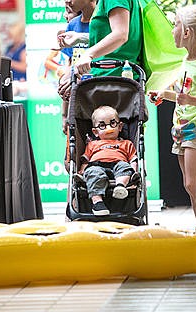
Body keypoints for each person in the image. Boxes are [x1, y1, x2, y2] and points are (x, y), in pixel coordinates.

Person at [148, 5, 196, 228]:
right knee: (189, 186)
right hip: (181, 128)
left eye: (175, 25)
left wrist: (190, 101)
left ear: (187, 32)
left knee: (193, 184)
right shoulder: (186, 61)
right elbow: (183, 94)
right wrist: (163, 94)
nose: (172, 31)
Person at [57, 0, 142, 78]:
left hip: (114, 78)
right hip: (108, 77)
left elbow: (121, 35)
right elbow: (112, 34)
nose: (67, 1)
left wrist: (89, 54)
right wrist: (80, 37)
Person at [78, 106, 137, 216]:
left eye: (112, 123)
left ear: (120, 127)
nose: (108, 128)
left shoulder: (126, 143)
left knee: (125, 167)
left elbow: (133, 160)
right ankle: (97, 202)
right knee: (93, 173)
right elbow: (86, 160)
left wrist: (134, 172)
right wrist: (82, 170)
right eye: (102, 125)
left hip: (119, 163)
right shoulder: (92, 144)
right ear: (95, 132)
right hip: (96, 164)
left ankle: (120, 187)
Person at [58, 0, 95, 134]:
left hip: (95, 93)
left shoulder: (101, 23)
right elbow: (70, 65)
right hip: (76, 98)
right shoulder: (73, 25)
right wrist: (64, 115)